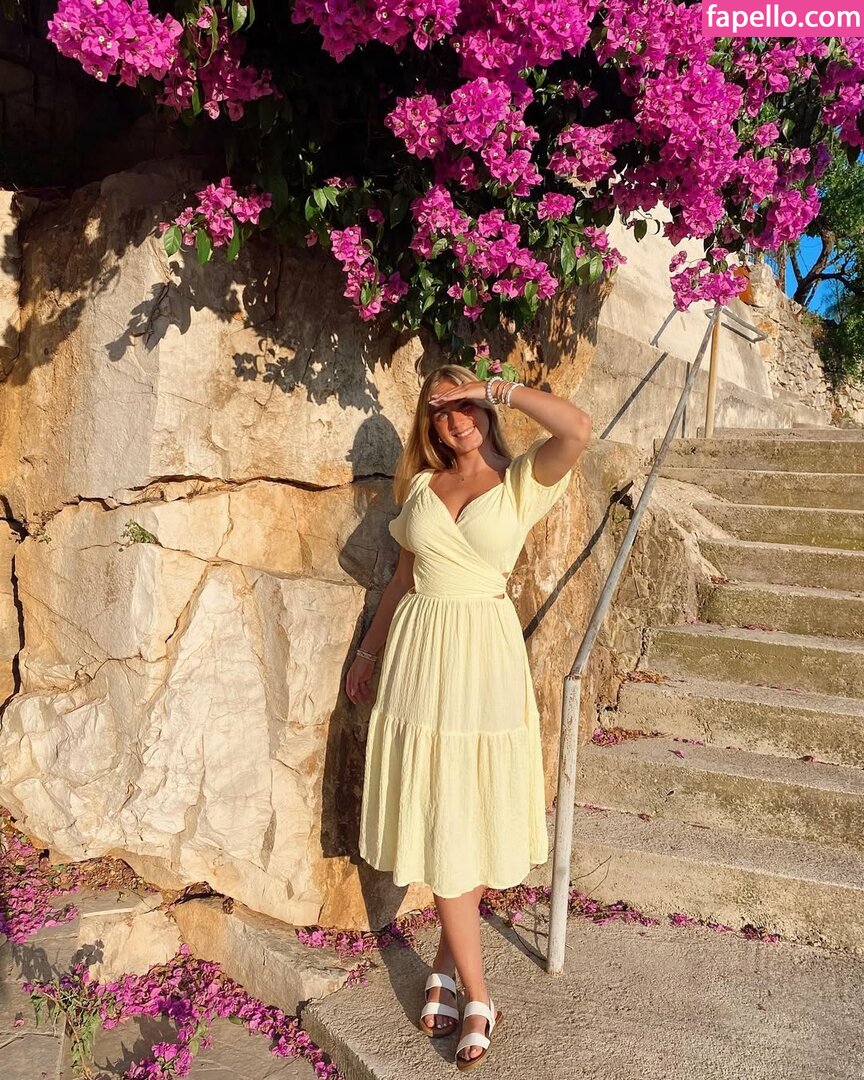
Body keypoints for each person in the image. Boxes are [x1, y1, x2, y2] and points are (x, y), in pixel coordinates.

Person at [345, 364, 592, 1070]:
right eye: (440, 409)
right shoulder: (422, 487)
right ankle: (459, 977)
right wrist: (368, 651)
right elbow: (402, 578)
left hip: (483, 656)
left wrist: (489, 388)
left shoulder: (521, 483)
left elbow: (577, 428)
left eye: (464, 406)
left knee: (470, 803)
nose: (455, 419)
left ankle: (466, 985)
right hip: (420, 656)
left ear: (484, 409)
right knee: (442, 804)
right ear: (427, 426)